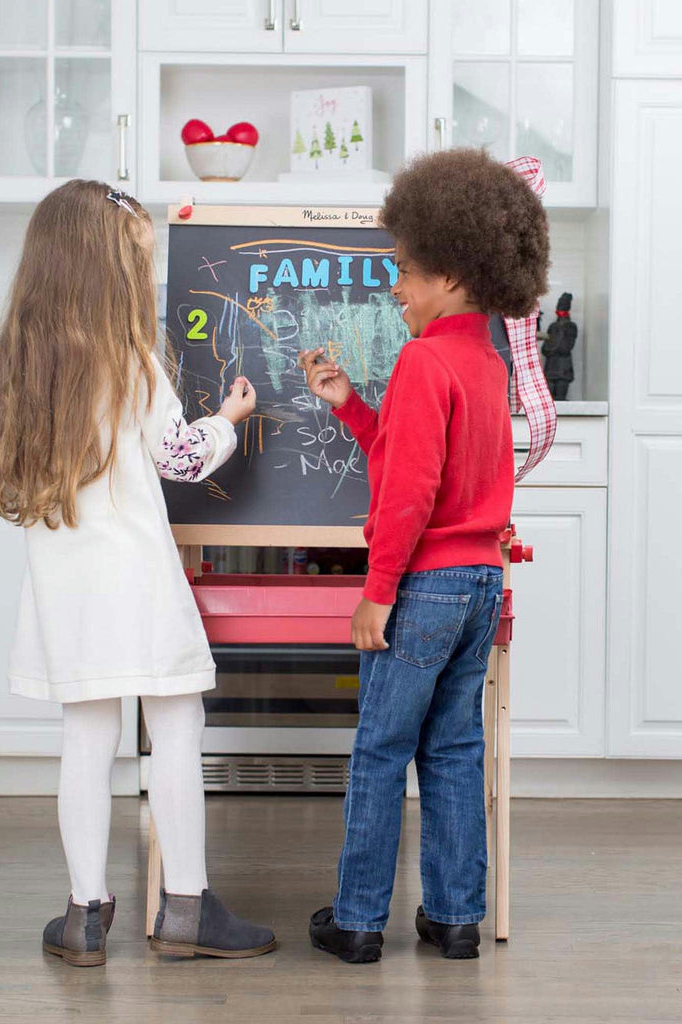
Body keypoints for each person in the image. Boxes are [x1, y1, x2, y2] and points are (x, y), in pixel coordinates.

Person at [0, 180, 276, 967]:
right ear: (107, 269)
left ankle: (83, 915)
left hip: (64, 586)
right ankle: (187, 907)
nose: (147, 277)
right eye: (139, 260)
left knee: (86, 737)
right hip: (136, 576)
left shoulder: (24, 367)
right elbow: (178, 458)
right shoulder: (129, 361)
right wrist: (227, 423)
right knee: (175, 723)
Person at [298, 148, 549, 963]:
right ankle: (453, 918)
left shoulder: (423, 359)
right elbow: (425, 464)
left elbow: (407, 497)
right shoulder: (483, 363)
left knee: (379, 749)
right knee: (452, 748)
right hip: (481, 583)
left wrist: (377, 592)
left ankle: (360, 921)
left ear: (448, 272)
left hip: (426, 587)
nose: (394, 287)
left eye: (402, 270)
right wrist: (352, 408)